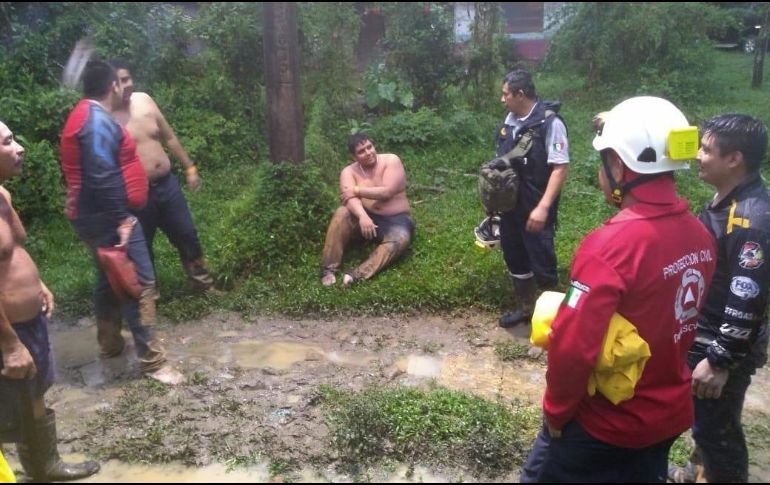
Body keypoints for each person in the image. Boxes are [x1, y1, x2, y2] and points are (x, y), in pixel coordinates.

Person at [520, 97, 717, 482]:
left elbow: (574, 346)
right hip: (666, 418)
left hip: (606, 426)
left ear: (618, 165)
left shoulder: (610, 246)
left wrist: (556, 413)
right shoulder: (700, 235)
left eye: (603, 159)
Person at [59, 60, 182, 385]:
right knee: (137, 283)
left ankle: (111, 343)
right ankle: (153, 362)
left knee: (107, 278)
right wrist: (122, 221)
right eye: (120, 83)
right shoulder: (97, 120)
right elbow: (101, 173)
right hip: (109, 218)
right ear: (112, 85)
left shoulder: (86, 114)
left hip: (94, 217)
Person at [669, 114, 770, 483]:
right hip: (706, 335)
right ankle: (700, 472)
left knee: (718, 432)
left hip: (722, 346)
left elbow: (748, 297)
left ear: (734, 159)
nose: (698, 155)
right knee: (706, 423)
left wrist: (720, 361)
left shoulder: (751, 220)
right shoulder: (725, 200)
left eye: (707, 150)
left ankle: (721, 475)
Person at [0, 121, 100, 481]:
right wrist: (9, 344)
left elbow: (14, 251)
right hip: (6, 331)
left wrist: (37, 282)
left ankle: (44, 467)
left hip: (28, 323)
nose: (20, 148)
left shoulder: (3, 196)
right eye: (8, 142)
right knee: (8, 405)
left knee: (34, 392)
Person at [108, 59, 215, 291]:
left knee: (186, 233)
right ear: (110, 85)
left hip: (167, 186)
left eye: (128, 78)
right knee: (141, 246)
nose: (127, 84)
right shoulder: (105, 118)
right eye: (120, 81)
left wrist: (190, 168)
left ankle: (202, 282)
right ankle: (149, 296)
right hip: (135, 196)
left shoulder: (144, 100)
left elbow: (170, 137)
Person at [489, 69, 570, 329]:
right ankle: (526, 309)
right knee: (515, 256)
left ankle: (552, 324)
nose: (502, 99)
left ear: (520, 94)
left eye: (506, 94)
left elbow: (559, 168)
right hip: (511, 207)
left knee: (542, 260)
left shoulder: (550, 124)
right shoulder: (510, 121)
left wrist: (543, 208)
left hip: (536, 206)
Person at [319, 132, 414, 286]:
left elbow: (387, 192)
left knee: (401, 238)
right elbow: (348, 198)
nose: (368, 152)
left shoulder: (391, 160)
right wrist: (363, 216)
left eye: (370, 147)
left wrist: (357, 190)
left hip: (396, 219)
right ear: (354, 157)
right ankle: (328, 269)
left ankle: (356, 275)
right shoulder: (348, 172)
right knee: (341, 212)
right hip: (366, 218)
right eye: (361, 151)